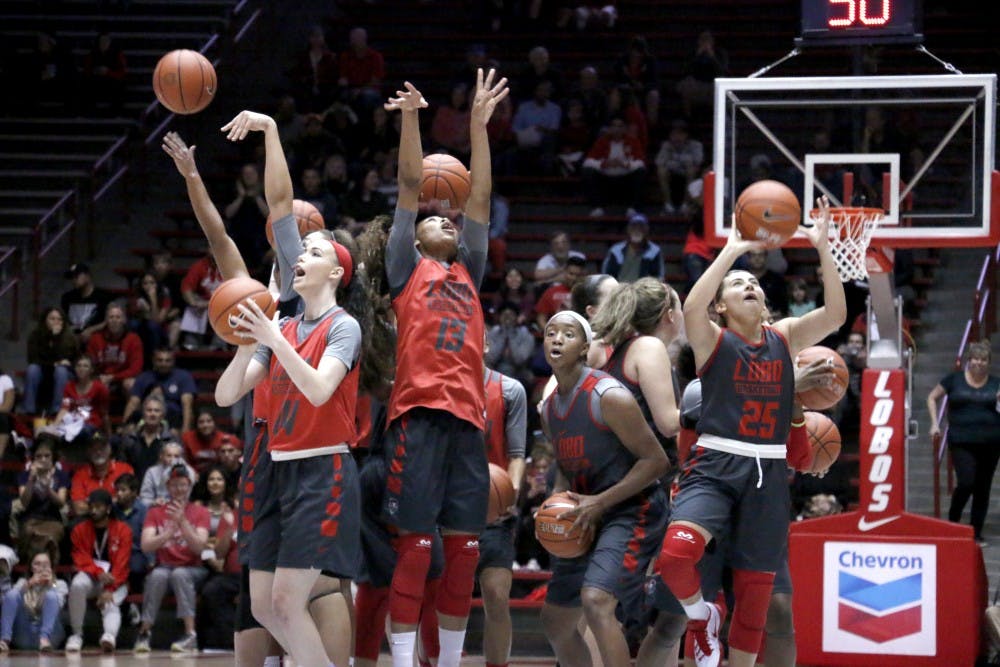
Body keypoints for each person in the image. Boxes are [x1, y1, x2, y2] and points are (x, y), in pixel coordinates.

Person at [214, 108, 384, 667]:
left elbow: (316, 391)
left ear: (334, 270)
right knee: (265, 605)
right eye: (299, 252)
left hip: (322, 470)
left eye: (311, 252)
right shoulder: (280, 323)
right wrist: (246, 342)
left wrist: (272, 336)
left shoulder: (344, 326)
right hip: (276, 467)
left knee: (289, 601)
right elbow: (225, 396)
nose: (298, 255)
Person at [656, 196, 844, 667]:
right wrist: (731, 252)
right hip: (715, 465)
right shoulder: (714, 340)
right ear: (722, 306)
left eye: (755, 283)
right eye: (739, 284)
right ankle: (702, 618)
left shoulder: (783, 337)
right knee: (676, 558)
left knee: (757, 598)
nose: (750, 285)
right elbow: (692, 305)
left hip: (769, 471)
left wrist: (823, 248)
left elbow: (837, 316)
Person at [379, 69, 508, 667]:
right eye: (435, 219)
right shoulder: (406, 268)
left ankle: (450, 662)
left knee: (463, 555)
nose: (446, 221)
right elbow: (410, 185)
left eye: (448, 220)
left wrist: (479, 128)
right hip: (417, 418)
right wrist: (410, 118)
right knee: (415, 549)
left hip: (467, 424)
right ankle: (403, 661)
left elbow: (478, 198)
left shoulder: (470, 270)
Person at [162, 129, 288, 667]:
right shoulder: (262, 298)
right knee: (255, 573)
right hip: (265, 442)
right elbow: (217, 236)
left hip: (317, 448)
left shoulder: (332, 312)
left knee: (309, 579)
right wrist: (193, 177)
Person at [537, 311, 670, 667]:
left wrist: (600, 502)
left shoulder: (609, 395)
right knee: (556, 619)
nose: (557, 339)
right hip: (587, 512)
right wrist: (556, 503)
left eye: (568, 334)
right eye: (551, 333)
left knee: (596, 600)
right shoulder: (548, 410)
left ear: (584, 348)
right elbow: (566, 472)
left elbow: (656, 462)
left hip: (634, 507)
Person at [478, 354, 528, 667]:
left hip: (493, 510)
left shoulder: (509, 389)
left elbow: (518, 455)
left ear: (484, 343)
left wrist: (509, 492)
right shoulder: (439, 385)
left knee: (496, 596)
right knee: (437, 601)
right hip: (448, 510)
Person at [927, 340, 1000, 544]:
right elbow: (933, 397)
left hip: (991, 442)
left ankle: (976, 532)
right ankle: (953, 521)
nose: (979, 363)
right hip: (961, 440)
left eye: (983, 360)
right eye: (975, 359)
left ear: (989, 363)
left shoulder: (996, 383)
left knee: (983, 487)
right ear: (969, 361)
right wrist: (935, 423)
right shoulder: (954, 380)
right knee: (967, 481)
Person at [134, 463, 210, 653]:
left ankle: (190, 634)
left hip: (193, 567)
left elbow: (199, 547)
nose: (179, 489)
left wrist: (182, 522)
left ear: (190, 486)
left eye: (183, 484)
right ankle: (144, 632)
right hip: (165, 566)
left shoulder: (201, 512)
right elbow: (145, 545)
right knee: (157, 576)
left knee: (180, 574)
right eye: (174, 485)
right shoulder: (155, 511)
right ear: (167, 487)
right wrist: (167, 534)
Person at [65, 489, 131, 653]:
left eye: (99, 507)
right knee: (77, 585)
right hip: (92, 576)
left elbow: (122, 563)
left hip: (117, 579)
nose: (93, 510)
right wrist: (98, 572)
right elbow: (81, 557)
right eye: (91, 506)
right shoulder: (79, 530)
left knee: (111, 601)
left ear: (108, 509)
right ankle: (77, 635)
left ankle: (109, 636)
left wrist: (110, 589)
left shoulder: (123, 530)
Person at [194, 466, 241, 650]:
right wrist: (229, 529)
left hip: (253, 573)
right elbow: (220, 553)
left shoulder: (261, 516)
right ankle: (224, 641)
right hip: (231, 575)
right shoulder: (230, 516)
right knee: (211, 590)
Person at [15, 435, 69, 564]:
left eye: (47, 456)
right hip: (31, 520)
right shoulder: (25, 476)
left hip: (53, 520)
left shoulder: (61, 476)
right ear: (33, 458)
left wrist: (47, 488)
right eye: (38, 456)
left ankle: (49, 573)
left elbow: (61, 503)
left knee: (49, 538)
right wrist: (31, 480)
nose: (43, 459)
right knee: (29, 533)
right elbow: (24, 502)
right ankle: (33, 573)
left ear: (53, 457)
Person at [0, 550, 67, 652]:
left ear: (51, 567)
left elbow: (59, 605)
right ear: (31, 568)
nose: (41, 568)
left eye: (45, 564)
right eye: (37, 564)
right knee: (12, 594)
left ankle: (44, 639)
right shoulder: (23, 582)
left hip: (50, 637)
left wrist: (51, 586)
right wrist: (29, 584)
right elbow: (10, 601)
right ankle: (4, 640)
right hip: (24, 633)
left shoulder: (60, 584)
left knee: (52, 596)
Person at [581, 115, 647, 218]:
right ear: (610, 128)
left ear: (625, 128)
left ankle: (633, 208)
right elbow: (588, 161)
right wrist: (604, 164)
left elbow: (641, 162)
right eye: (614, 126)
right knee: (587, 171)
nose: (617, 129)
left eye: (620, 126)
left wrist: (625, 164)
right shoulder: (602, 141)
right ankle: (597, 207)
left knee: (641, 172)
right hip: (606, 179)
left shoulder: (633, 141)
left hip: (626, 178)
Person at [121, 348, 197, 434]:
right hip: (147, 415)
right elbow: (133, 403)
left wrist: (185, 433)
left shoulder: (183, 377)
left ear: (173, 361)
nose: (163, 364)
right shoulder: (143, 377)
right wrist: (124, 426)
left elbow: (187, 406)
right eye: (160, 360)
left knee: (174, 432)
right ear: (154, 361)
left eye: (167, 360)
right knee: (130, 428)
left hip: (172, 417)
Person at [24, 307, 78, 415]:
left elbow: (71, 360)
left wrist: (56, 338)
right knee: (32, 369)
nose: (56, 322)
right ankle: (29, 410)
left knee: (60, 371)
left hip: (64, 373)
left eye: (59, 319)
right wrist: (53, 363)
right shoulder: (35, 336)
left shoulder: (70, 337)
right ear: (45, 320)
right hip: (42, 370)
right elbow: (33, 359)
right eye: (52, 319)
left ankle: (57, 410)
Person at [85, 302, 144, 395]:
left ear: (124, 320)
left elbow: (136, 369)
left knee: (131, 384)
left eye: (118, 317)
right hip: (101, 377)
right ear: (106, 321)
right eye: (111, 317)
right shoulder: (95, 338)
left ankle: (132, 410)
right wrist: (99, 377)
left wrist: (113, 377)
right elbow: (89, 364)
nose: (114, 320)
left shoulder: (133, 339)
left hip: (123, 378)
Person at [70, 434, 134, 518]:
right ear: (88, 452)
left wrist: (92, 504)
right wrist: (112, 501)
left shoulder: (125, 469)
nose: (98, 452)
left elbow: (129, 500)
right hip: (90, 520)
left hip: (120, 517)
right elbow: (79, 509)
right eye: (94, 449)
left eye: (102, 448)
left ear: (110, 449)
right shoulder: (80, 474)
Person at [120, 395, 179, 483]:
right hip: (134, 489)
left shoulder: (171, 440)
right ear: (143, 414)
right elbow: (121, 467)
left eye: (156, 411)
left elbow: (178, 468)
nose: (152, 414)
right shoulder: (130, 439)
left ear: (162, 415)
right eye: (149, 410)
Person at [53, 355, 110, 445]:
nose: (81, 368)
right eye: (79, 366)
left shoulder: (100, 388)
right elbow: (65, 409)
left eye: (85, 366)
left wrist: (108, 436)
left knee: (82, 432)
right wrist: (54, 427)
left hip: (92, 425)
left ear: (91, 370)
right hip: (72, 424)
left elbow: (104, 413)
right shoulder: (69, 386)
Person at [655, 119, 704, 215]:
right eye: (674, 134)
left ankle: (685, 204)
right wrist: (682, 161)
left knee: (691, 170)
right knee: (661, 171)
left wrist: (676, 160)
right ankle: (668, 204)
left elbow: (698, 161)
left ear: (686, 135)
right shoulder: (666, 145)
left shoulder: (696, 145)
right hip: (672, 172)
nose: (677, 137)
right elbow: (659, 161)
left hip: (688, 173)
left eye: (680, 134)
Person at [600, 213, 665, 282]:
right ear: (628, 229)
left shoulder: (654, 251)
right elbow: (606, 276)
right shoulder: (616, 250)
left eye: (641, 227)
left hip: (643, 291)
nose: (637, 230)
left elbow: (659, 277)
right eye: (634, 226)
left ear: (647, 230)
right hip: (619, 290)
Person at [179, 254, 225, 350]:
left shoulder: (230, 265)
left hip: (224, 302)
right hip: (203, 303)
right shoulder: (199, 266)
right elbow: (186, 288)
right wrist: (194, 303)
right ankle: (192, 344)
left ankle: (219, 345)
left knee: (229, 307)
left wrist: (211, 304)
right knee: (194, 304)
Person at [485, 302, 536, 386]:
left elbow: (519, 359)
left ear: (517, 317)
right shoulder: (493, 333)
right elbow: (491, 358)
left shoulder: (526, 335)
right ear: (499, 317)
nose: (507, 318)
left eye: (511, 315)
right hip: (495, 371)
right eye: (504, 315)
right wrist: (503, 336)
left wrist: (511, 336)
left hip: (518, 373)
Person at [60, 262, 114, 339]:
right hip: (73, 338)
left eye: (76, 276)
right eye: (72, 277)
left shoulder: (103, 296)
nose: (74, 280)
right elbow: (64, 319)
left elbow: (109, 320)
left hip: (97, 339)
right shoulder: (67, 298)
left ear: (88, 276)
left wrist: (92, 329)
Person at [535, 256, 587, 332]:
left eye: (578, 275)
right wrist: (550, 334)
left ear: (583, 275)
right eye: (571, 274)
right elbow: (541, 318)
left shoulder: (589, 293)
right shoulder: (551, 292)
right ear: (565, 272)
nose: (574, 278)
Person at [182, 409, 242, 475]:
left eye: (209, 421)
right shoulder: (187, 438)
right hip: (195, 476)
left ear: (214, 423)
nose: (205, 425)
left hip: (221, 476)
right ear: (196, 424)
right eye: (201, 422)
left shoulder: (227, 439)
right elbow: (184, 462)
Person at [140, 441, 196, 506]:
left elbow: (187, 497)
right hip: (157, 508)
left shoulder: (189, 471)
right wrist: (154, 502)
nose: (173, 459)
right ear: (161, 456)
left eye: (176, 456)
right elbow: (144, 499)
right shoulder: (152, 472)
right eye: (169, 456)